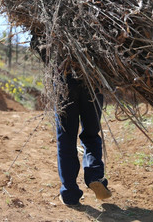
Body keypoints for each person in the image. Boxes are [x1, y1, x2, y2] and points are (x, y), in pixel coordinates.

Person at [31, 33, 112, 206]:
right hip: (93, 78)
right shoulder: (100, 16)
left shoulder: (49, 18)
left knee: (66, 139)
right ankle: (95, 176)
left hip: (64, 79)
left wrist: (53, 65)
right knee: (91, 134)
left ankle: (69, 192)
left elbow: (37, 43)